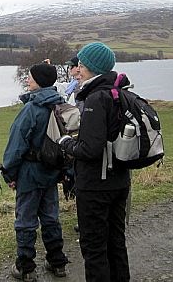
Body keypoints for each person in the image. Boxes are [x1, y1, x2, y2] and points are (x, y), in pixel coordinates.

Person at [58, 42, 131, 281]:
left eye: (80, 64)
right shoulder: (119, 92)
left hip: (96, 185)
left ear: (90, 66)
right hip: (120, 180)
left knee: (94, 246)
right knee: (116, 242)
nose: (77, 68)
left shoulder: (96, 98)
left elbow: (90, 149)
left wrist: (67, 143)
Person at [2, 63, 69, 281]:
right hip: (52, 170)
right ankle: (57, 262)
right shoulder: (60, 105)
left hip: (30, 173)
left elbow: (16, 145)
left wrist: (9, 173)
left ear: (39, 80)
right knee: (51, 217)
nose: (27, 80)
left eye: (29, 77)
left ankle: (26, 267)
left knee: (26, 220)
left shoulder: (31, 109)